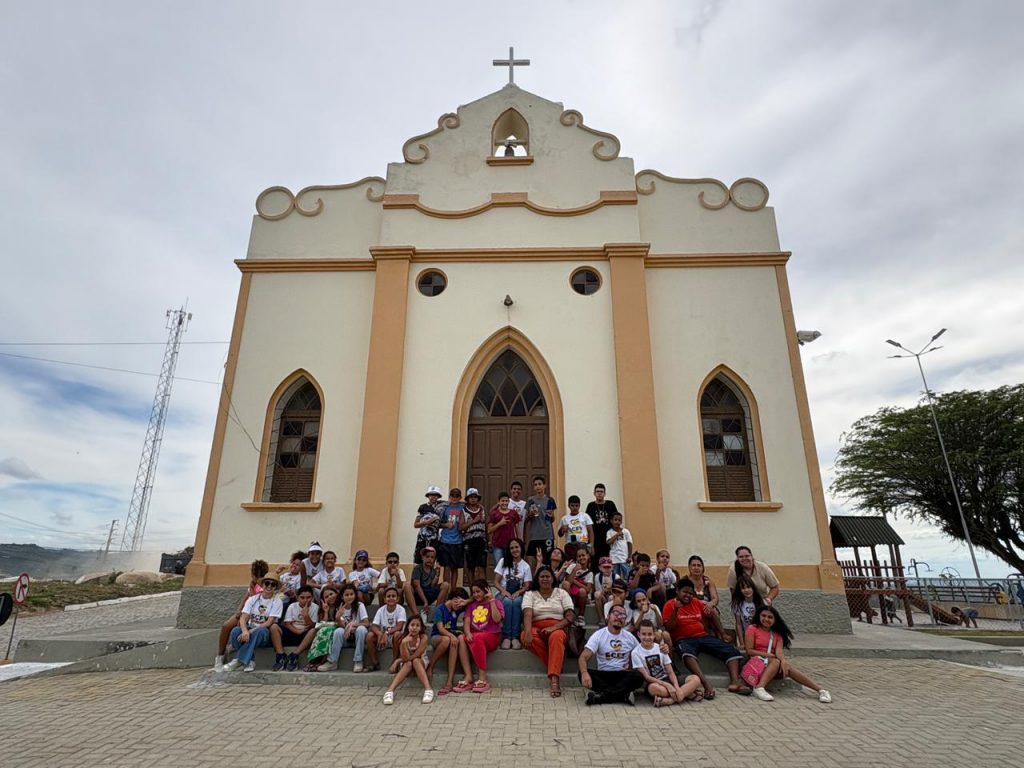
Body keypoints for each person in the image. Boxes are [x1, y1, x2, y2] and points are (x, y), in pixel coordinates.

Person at [663, 577, 750, 699]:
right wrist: (676, 610)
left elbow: (712, 614)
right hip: (683, 639)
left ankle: (735, 682)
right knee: (687, 654)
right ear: (677, 591)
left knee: (731, 650)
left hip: (703, 636)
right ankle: (706, 684)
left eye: (690, 593)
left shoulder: (696, 602)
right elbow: (669, 627)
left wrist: (722, 633)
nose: (688, 595)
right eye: (685, 592)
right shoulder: (669, 605)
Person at [744, 605, 831, 703]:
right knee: (776, 662)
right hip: (757, 663)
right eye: (763, 616)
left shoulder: (777, 634)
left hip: (772, 665)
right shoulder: (752, 628)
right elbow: (749, 651)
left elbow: (779, 652)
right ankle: (759, 688)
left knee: (786, 667)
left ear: (775, 620)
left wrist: (783, 661)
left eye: (770, 617)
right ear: (759, 616)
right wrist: (771, 656)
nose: (766, 619)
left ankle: (821, 690)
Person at [522, 565, 576, 698]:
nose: (545, 579)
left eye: (548, 576)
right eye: (542, 576)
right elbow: (527, 614)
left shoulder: (561, 593)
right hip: (536, 626)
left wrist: (553, 628)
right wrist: (528, 632)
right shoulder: (530, 594)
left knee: (556, 637)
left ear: (553, 579)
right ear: (537, 579)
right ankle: (556, 665)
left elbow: (570, 616)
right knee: (525, 636)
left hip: (557, 626)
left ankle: (554, 680)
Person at [577, 604, 641, 705]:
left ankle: (600, 697)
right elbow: (583, 657)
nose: (619, 617)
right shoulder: (598, 635)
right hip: (603, 675)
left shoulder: (630, 637)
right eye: (616, 613)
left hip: (622, 674)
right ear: (608, 616)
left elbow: (641, 653)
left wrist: (661, 647)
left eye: (623, 615)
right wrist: (584, 673)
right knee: (581, 673)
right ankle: (622, 695)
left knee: (638, 676)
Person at [223, 571, 284, 672]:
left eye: (273, 584)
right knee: (235, 631)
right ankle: (250, 661)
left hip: (264, 633)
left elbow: (269, 622)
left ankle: (239, 660)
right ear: (262, 585)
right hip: (250, 628)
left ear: (275, 587)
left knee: (260, 631)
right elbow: (243, 617)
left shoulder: (277, 602)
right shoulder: (253, 599)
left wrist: (250, 631)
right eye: (267, 583)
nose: (269, 586)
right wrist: (244, 630)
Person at [214, 558, 268, 670]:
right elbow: (245, 599)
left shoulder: (265, 586)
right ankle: (220, 655)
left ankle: (237, 653)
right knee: (226, 626)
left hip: (255, 615)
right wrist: (239, 611)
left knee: (239, 626)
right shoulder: (252, 584)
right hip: (245, 611)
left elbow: (257, 603)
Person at [631, 620, 701, 706]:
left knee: (696, 679)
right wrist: (667, 685)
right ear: (639, 635)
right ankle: (686, 694)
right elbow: (647, 677)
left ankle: (670, 700)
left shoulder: (660, 648)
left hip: (669, 678)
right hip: (655, 682)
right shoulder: (636, 653)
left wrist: (676, 687)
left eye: (650, 634)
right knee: (653, 689)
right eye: (644, 634)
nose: (647, 637)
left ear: (654, 635)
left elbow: (670, 672)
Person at [454, 579, 505, 693]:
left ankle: (482, 677)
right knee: (461, 638)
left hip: (492, 636)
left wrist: (492, 601)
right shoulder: (471, 605)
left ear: (486, 590)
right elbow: (466, 622)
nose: (476, 594)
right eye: (474, 592)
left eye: (478, 591)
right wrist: (467, 633)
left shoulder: (496, 602)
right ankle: (468, 676)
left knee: (477, 638)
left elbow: (497, 619)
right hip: (474, 636)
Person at [317, 584, 370, 672]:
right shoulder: (340, 607)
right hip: (346, 637)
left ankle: (358, 660)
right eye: (346, 595)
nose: (349, 597)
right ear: (342, 596)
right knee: (338, 631)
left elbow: (367, 623)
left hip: (359, 638)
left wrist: (353, 624)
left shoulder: (360, 605)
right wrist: (338, 618)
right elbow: (342, 626)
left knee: (361, 629)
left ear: (355, 595)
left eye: (351, 594)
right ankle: (332, 662)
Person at [382, 615, 434, 705]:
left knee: (415, 661)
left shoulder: (423, 637)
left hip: (421, 661)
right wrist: (403, 643)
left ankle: (428, 689)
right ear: (408, 626)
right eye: (412, 625)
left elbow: (417, 655)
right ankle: (390, 691)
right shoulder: (404, 639)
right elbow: (406, 659)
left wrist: (398, 661)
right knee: (409, 663)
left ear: (421, 628)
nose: (414, 628)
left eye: (417, 625)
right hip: (407, 664)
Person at [427, 587, 469, 695]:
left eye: (461, 604)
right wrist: (451, 636)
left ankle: (449, 681)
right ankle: (431, 666)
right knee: (447, 640)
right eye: (457, 602)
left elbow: (472, 600)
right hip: (437, 637)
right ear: (453, 599)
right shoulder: (440, 609)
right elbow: (440, 629)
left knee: (455, 641)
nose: (459, 606)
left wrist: (464, 601)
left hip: (451, 637)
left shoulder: (457, 608)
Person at [270, 585, 319, 671]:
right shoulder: (292, 606)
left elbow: (313, 625)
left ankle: (294, 655)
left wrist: (306, 616)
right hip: (292, 631)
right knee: (274, 627)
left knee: (313, 630)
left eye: (308, 597)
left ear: (312, 597)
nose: (305, 600)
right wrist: (297, 631)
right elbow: (288, 624)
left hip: (305, 635)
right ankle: (280, 655)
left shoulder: (315, 607)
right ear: (297, 597)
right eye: (302, 598)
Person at [495, 538, 532, 649]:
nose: (514, 550)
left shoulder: (526, 566)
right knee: (507, 602)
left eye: (516, 547)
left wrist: (519, 592)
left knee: (516, 602)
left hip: (518, 594)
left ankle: (515, 637)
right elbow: (496, 582)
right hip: (503, 593)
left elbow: (527, 586)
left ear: (521, 548)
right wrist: (504, 591)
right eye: (511, 548)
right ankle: (506, 637)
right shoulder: (503, 561)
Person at [297, 584, 340, 669]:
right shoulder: (324, 608)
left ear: (336, 593)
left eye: (331, 594)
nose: (330, 597)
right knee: (322, 631)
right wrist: (326, 611)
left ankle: (321, 660)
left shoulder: (342, 605)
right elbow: (324, 622)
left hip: (340, 630)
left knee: (325, 631)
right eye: (326, 597)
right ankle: (314, 659)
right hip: (328, 629)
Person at [405, 545, 449, 623]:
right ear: (423, 557)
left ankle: (437, 614)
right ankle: (416, 615)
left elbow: (432, 586)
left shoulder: (433, 570)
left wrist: (437, 575)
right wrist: (425, 601)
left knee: (446, 585)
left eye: (432, 557)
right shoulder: (418, 568)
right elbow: (417, 586)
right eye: (427, 556)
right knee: (407, 586)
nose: (430, 559)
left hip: (428, 594)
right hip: (418, 595)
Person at [367, 586, 407, 671]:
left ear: (397, 599)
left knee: (397, 634)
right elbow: (373, 626)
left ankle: (394, 662)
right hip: (382, 638)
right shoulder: (381, 610)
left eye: (393, 596)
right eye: (388, 596)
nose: (391, 598)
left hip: (395, 638)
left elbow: (399, 626)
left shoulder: (401, 610)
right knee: (370, 636)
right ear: (384, 599)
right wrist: (380, 634)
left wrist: (386, 633)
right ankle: (375, 663)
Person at [687, 554, 726, 640]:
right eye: (693, 565)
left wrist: (711, 603)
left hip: (707, 608)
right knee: (703, 613)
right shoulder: (685, 581)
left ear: (703, 568)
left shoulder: (708, 581)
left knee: (711, 610)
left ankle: (722, 635)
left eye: (699, 565)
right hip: (691, 608)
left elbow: (715, 598)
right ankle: (712, 637)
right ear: (689, 567)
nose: (696, 568)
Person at [524, 475, 557, 573]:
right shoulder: (531, 500)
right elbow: (526, 519)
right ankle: (532, 580)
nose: (538, 486)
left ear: (544, 485)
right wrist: (530, 515)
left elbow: (552, 519)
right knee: (531, 561)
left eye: (539, 484)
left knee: (547, 562)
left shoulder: (550, 500)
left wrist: (551, 516)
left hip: (547, 535)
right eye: (535, 485)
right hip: (534, 536)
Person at [585, 483, 620, 571]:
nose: (599, 493)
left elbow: (616, 519)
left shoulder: (610, 504)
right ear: (594, 493)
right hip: (595, 539)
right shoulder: (591, 506)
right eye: (597, 491)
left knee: (608, 561)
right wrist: (590, 543)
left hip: (608, 538)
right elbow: (587, 524)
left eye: (601, 491)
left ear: (605, 493)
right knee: (595, 562)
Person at [437, 488, 465, 590]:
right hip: (445, 540)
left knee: (455, 568)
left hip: (458, 541)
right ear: (449, 496)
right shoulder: (444, 507)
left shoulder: (463, 507)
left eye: (457, 496)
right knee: (446, 567)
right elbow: (438, 523)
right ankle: (446, 589)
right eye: (452, 495)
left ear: (460, 497)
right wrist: (446, 525)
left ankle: (453, 590)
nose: (454, 498)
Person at [461, 488, 489, 585]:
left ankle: (483, 590)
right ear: (467, 499)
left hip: (481, 540)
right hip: (469, 541)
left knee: (482, 566)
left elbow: (485, 525)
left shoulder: (482, 509)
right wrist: (474, 521)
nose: (473, 499)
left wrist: (488, 540)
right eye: (471, 497)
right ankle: (472, 590)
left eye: (475, 497)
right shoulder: (463, 511)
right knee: (470, 567)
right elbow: (461, 527)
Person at [487, 491, 520, 569]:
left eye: (506, 501)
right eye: (502, 501)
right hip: (497, 545)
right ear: (498, 502)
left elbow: (517, 528)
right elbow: (489, 530)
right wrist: (500, 523)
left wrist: (518, 540)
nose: (504, 503)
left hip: (510, 545)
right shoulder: (494, 514)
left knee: (510, 567)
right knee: (499, 567)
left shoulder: (513, 513)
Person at [414, 485, 444, 565]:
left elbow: (439, 524)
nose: (433, 497)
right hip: (422, 539)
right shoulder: (422, 507)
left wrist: (446, 525)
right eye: (431, 495)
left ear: (438, 496)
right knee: (419, 561)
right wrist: (426, 522)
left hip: (434, 539)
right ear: (428, 496)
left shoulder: (441, 508)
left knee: (431, 561)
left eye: (435, 495)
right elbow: (416, 524)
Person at [563, 547, 595, 622]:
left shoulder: (590, 573)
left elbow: (587, 589)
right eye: (579, 556)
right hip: (570, 594)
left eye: (583, 555)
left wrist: (574, 581)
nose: (581, 558)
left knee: (582, 591)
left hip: (580, 597)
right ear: (576, 558)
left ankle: (581, 616)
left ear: (588, 556)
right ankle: (568, 611)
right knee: (565, 584)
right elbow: (568, 581)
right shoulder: (572, 567)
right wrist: (575, 570)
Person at [558, 494, 593, 562]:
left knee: (584, 563)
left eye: (576, 506)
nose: (574, 508)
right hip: (570, 545)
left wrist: (591, 545)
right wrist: (562, 529)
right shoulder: (564, 518)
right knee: (571, 563)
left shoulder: (585, 516)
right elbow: (560, 534)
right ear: (569, 506)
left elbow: (590, 531)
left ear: (579, 506)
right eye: (572, 505)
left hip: (583, 544)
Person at [731, 574, 764, 638]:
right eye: (743, 588)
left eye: (748, 587)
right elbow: (738, 624)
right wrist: (741, 642)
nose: (746, 590)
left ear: (753, 588)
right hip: (747, 635)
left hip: (760, 635)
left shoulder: (761, 602)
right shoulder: (738, 605)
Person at [606, 511, 633, 581]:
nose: (617, 522)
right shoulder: (609, 532)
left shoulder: (626, 531)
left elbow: (629, 543)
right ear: (611, 521)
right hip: (614, 559)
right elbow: (608, 542)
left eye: (619, 520)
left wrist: (629, 556)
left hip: (624, 558)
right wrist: (617, 535)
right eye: (615, 520)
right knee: (616, 577)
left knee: (628, 576)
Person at [593, 556, 616, 623]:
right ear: (600, 568)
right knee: (597, 594)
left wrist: (610, 588)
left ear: (612, 567)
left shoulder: (616, 577)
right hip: (603, 597)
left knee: (611, 597)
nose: (607, 569)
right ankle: (601, 618)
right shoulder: (597, 577)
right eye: (604, 567)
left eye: (608, 567)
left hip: (612, 597)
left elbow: (616, 593)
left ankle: (610, 618)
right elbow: (599, 591)